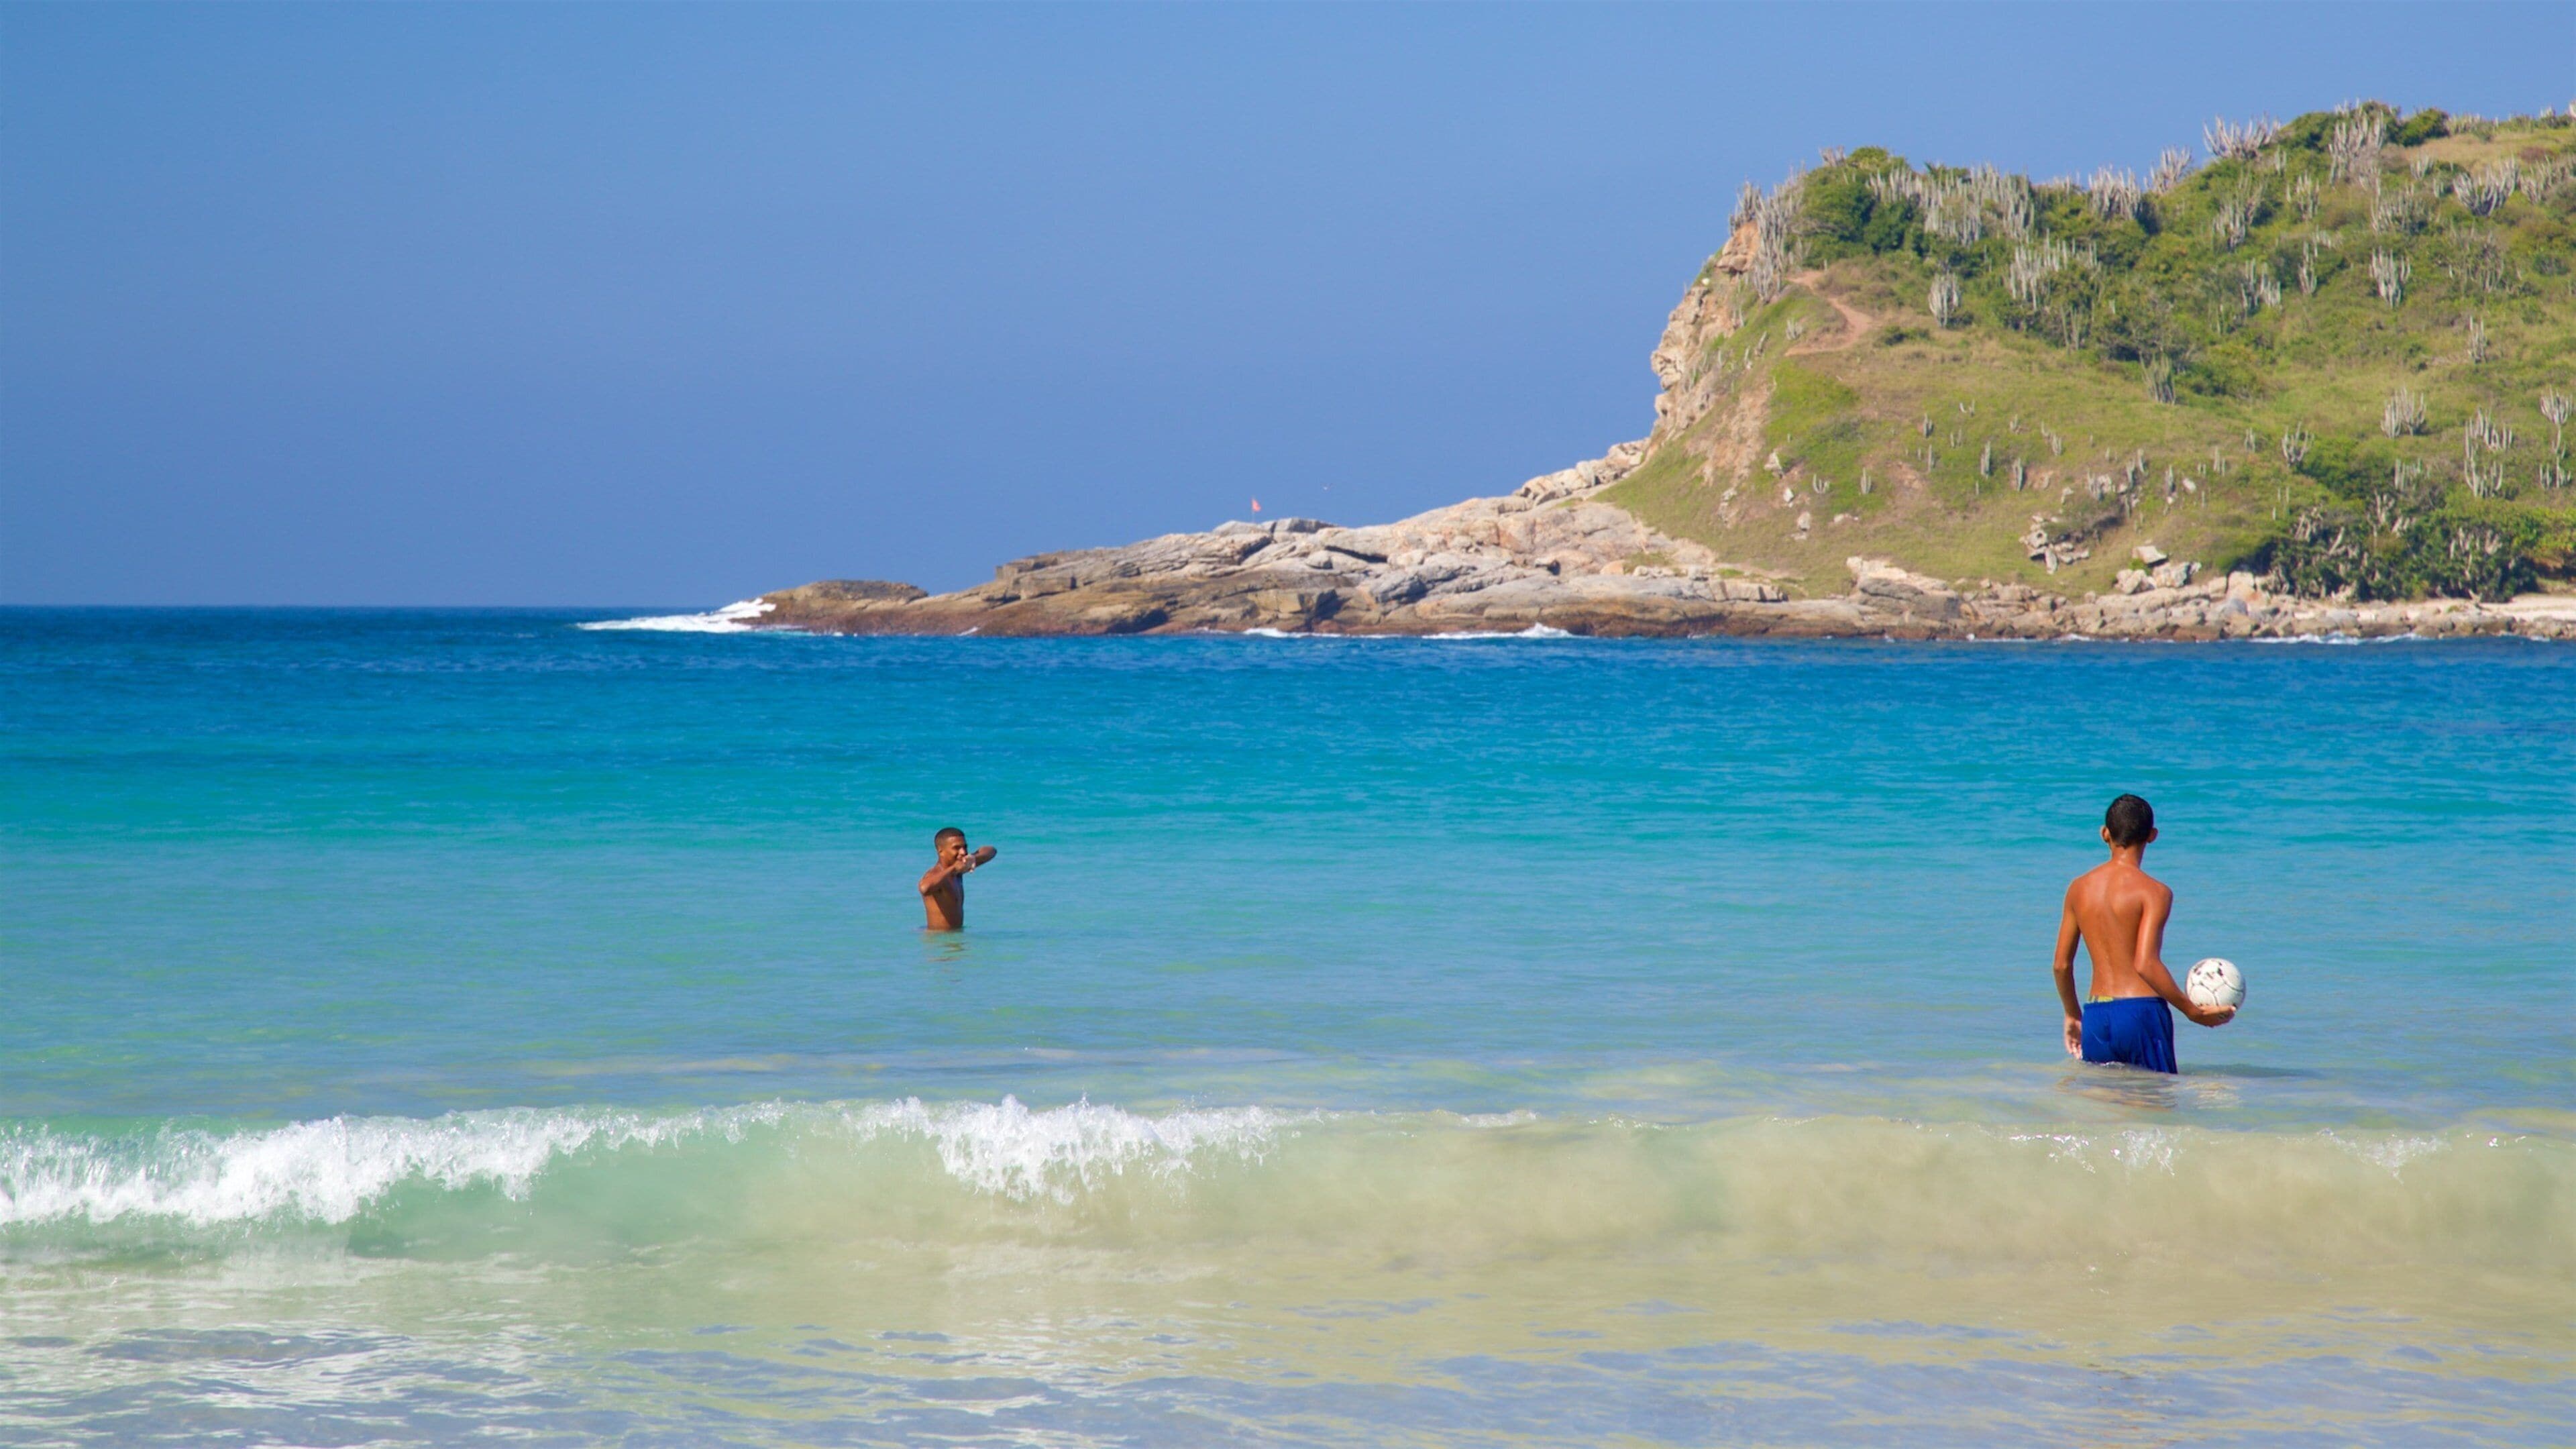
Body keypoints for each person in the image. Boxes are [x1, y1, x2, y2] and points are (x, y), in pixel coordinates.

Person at [2051, 794, 2233, 1073]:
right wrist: (2191, 1010)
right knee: (2154, 1108)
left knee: (2104, 1110)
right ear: (2152, 835)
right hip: (2141, 1013)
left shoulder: (2078, 889)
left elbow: (2061, 965)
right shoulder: (2155, 892)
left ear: (2105, 834)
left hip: (2097, 1016)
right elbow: (2145, 963)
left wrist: (2072, 1014)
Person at [919, 826, 997, 930]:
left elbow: (991, 851)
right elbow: (924, 888)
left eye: (965, 847)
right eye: (956, 848)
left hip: (954, 937)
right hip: (939, 940)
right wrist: (954, 868)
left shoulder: (959, 869)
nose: (963, 852)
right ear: (940, 851)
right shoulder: (936, 874)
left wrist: (974, 858)